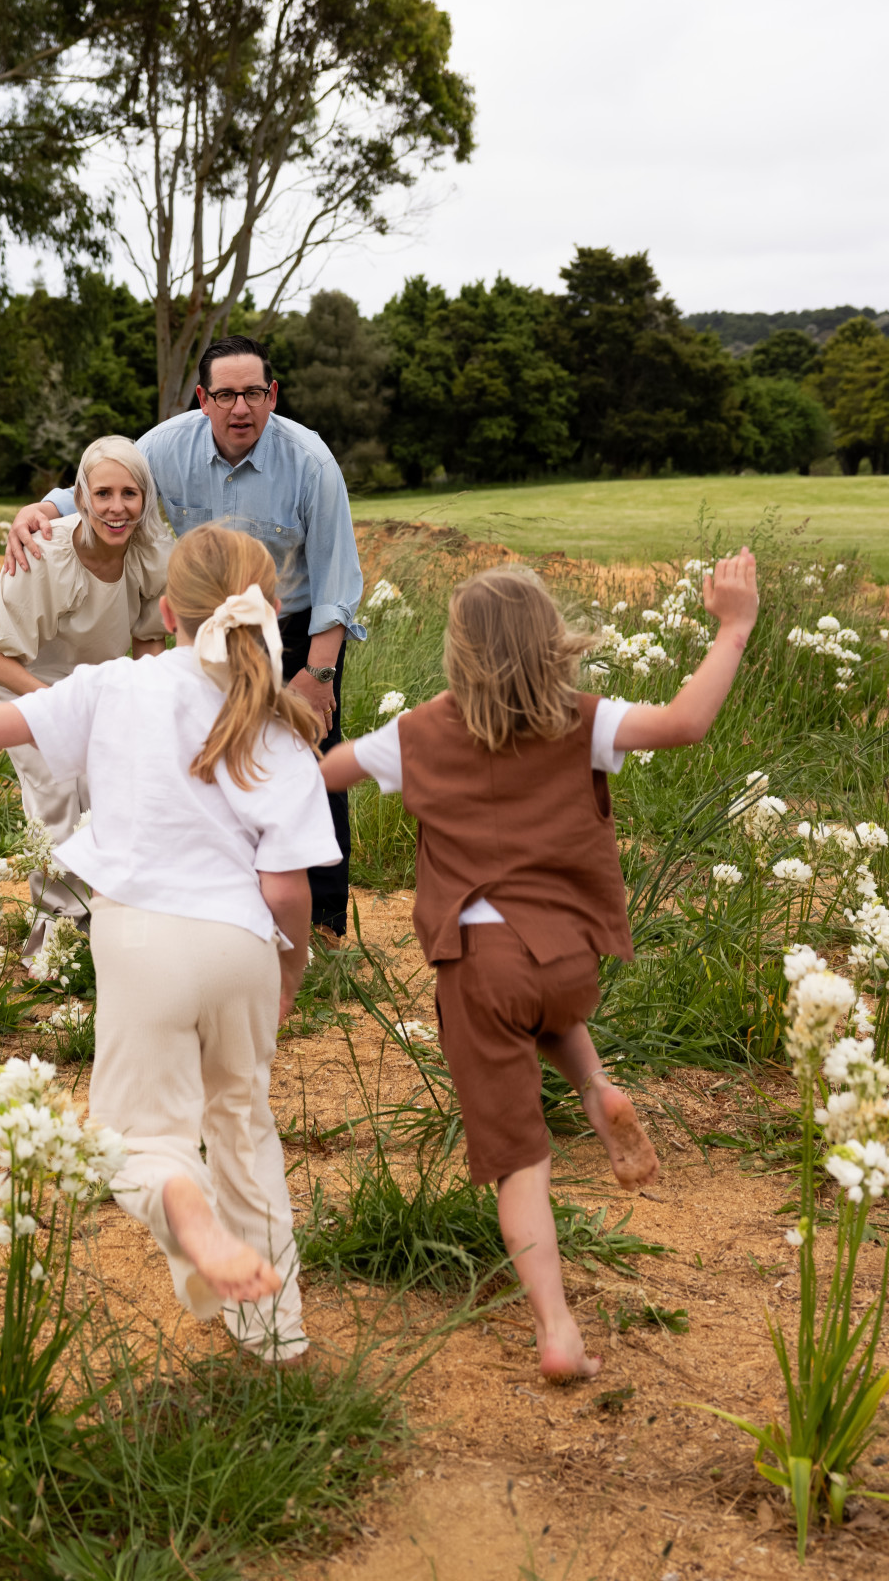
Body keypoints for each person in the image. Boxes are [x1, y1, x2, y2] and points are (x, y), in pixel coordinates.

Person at [0, 524, 338, 1365]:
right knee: (244, 1126)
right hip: (243, 946)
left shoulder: (115, 685)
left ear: (165, 609)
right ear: (270, 613)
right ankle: (276, 1336)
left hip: (141, 938)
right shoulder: (277, 720)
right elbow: (289, 889)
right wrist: (287, 969)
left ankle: (184, 1209)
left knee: (136, 1141)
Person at [319, 549, 760, 1381]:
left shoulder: (413, 736)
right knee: (547, 1005)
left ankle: (556, 1330)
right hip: (568, 959)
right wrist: (733, 628)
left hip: (479, 966)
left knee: (519, 1160)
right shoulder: (582, 719)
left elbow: (323, 778)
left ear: (457, 654)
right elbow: (684, 723)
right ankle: (596, 1087)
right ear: (554, 644)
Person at [1, 335, 363, 940]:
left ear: (272, 395)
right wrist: (39, 508)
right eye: (226, 395)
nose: (240, 408)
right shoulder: (168, 446)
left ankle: (321, 920)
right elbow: (99, 484)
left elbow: (337, 578)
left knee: (307, 753)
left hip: (288, 624)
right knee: (206, 749)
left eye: (254, 393)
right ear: (203, 399)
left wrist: (319, 675)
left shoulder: (310, 461)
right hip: (200, 623)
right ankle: (222, 898)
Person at [0, 435, 170, 933]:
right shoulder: (46, 552)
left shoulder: (151, 554)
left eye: (129, 494)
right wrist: (56, 705)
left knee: (105, 783)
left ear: (145, 500)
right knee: (57, 787)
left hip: (84, 681)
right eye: (103, 494)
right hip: (12, 674)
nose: (116, 508)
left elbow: (148, 640)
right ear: (80, 498)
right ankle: (56, 938)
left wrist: (139, 706)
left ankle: (99, 920)